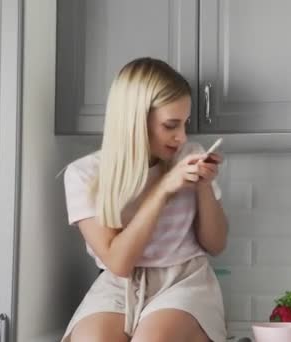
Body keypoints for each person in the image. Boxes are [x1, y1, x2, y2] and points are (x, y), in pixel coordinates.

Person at [60, 57, 228, 342]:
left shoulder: (190, 154)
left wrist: (204, 187)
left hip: (183, 280)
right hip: (119, 284)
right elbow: (119, 263)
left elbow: (216, 244)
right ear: (135, 121)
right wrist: (163, 189)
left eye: (184, 124)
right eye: (171, 125)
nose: (181, 136)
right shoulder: (84, 175)